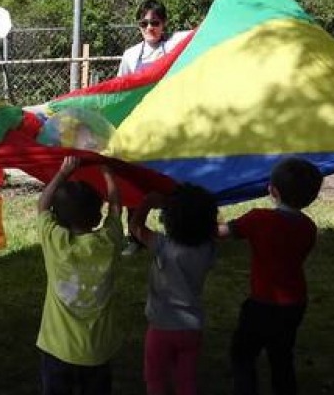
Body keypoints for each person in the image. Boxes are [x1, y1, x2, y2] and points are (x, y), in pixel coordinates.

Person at [219, 157, 323, 395]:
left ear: (272, 190)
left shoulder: (259, 219)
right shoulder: (309, 227)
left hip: (262, 304)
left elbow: (222, 232)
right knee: (282, 356)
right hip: (295, 303)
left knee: (243, 355)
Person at [36, 156, 124, 395]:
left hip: (57, 348)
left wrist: (64, 171)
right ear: (97, 218)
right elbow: (117, 209)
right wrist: (108, 175)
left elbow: (42, 205)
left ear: (59, 219)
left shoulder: (56, 242)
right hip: (97, 351)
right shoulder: (109, 242)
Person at [129, 185, 219, 395]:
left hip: (161, 327)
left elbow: (135, 226)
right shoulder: (209, 248)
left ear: (169, 219)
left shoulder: (162, 245)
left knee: (156, 379)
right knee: (186, 381)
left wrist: (148, 203)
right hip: (192, 327)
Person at [117, 0, 193, 77]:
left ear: (164, 23)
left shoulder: (176, 42)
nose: (149, 28)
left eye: (154, 23)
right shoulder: (130, 55)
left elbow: (200, 32)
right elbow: (120, 86)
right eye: (144, 24)